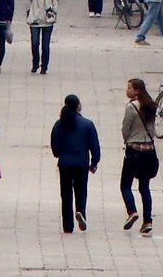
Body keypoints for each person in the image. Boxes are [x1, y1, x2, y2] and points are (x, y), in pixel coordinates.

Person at [49, 94, 101, 234]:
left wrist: (58, 154)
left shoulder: (59, 124)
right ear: (78, 105)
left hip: (65, 163)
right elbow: (94, 145)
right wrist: (94, 162)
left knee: (65, 194)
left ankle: (67, 225)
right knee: (81, 190)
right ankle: (80, 212)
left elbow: (54, 144)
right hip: (81, 164)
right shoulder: (87, 124)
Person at [120, 78, 160, 235]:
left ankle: (132, 211)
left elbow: (125, 128)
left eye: (129, 87)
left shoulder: (131, 107)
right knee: (144, 187)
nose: (127, 90)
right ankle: (147, 220)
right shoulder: (150, 105)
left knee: (125, 185)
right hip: (149, 151)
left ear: (136, 90)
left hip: (134, 150)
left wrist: (127, 140)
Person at [26, 0, 59, 74]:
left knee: (45, 45)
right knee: (35, 43)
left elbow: (55, 4)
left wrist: (53, 13)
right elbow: (28, 3)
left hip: (47, 21)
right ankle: (35, 63)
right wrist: (29, 14)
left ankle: (44, 66)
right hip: (34, 20)